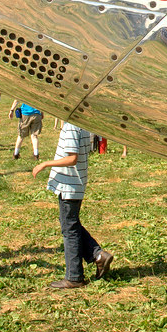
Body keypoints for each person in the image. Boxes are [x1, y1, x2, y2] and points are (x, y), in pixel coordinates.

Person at [32, 122, 113, 288]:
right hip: (76, 183)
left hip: (69, 185)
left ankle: (74, 276)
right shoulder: (81, 124)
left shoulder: (70, 126)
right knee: (71, 224)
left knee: (69, 229)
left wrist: (45, 164)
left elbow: (71, 158)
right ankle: (98, 255)